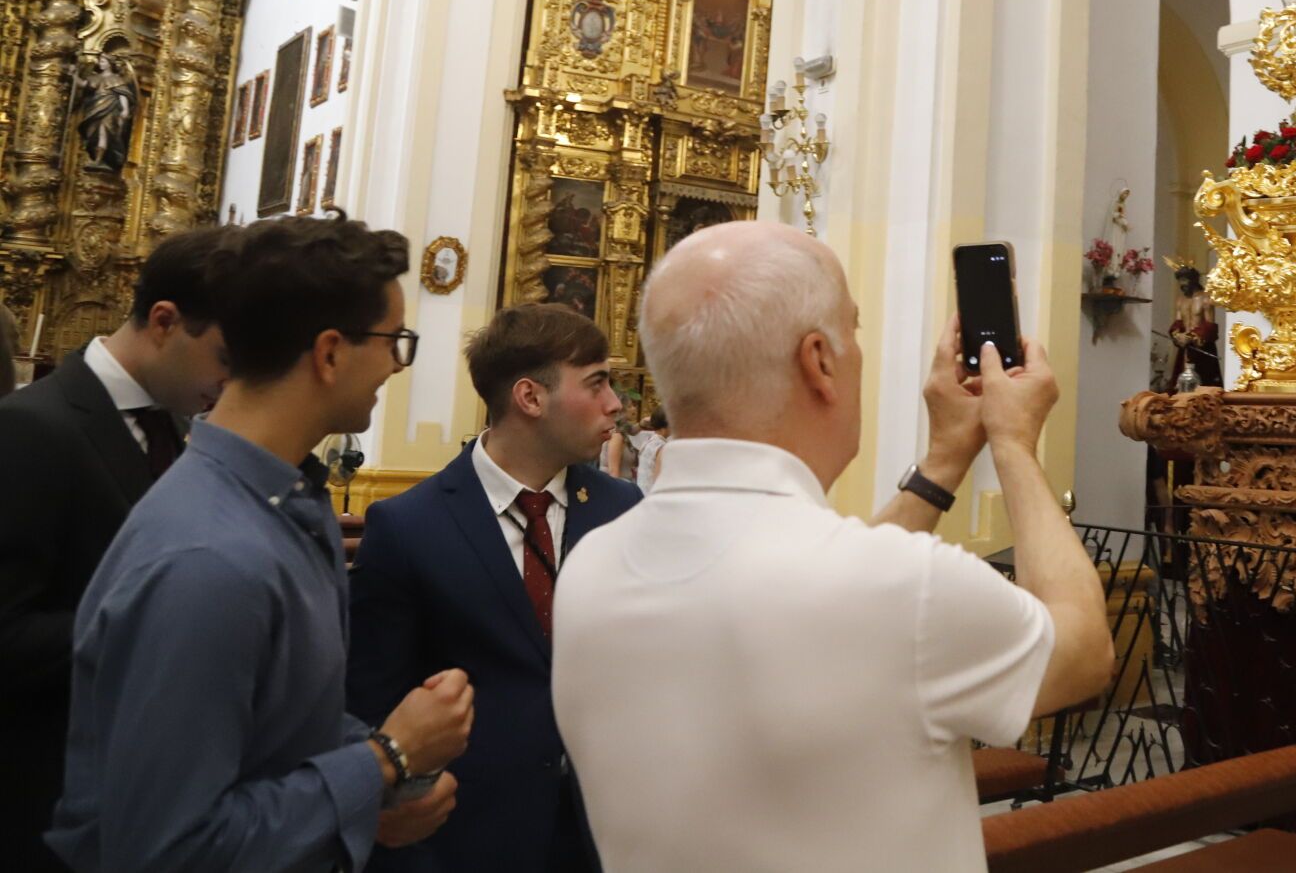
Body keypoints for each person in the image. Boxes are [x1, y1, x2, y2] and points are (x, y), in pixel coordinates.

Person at [552, 221, 1114, 872]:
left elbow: (821, 585)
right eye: (854, 330)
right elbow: (1084, 649)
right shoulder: (899, 588)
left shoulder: (588, 565)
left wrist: (944, 462)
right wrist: (1014, 443)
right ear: (818, 360)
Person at [46, 215, 473, 872]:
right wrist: (388, 756)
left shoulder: (280, 506)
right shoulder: (211, 558)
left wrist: (377, 786)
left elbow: (274, 737)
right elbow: (168, 850)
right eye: (393, 340)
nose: (394, 362)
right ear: (329, 353)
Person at [347, 303, 640, 872]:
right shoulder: (409, 527)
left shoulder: (621, 508)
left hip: (601, 834)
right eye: (597, 383)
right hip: (467, 839)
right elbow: (372, 702)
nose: (615, 404)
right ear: (530, 398)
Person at [0, 225, 235, 873]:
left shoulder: (178, 429)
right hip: (47, 801)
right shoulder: (33, 426)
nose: (231, 379)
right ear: (165, 320)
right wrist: (153, 615)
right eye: (225, 354)